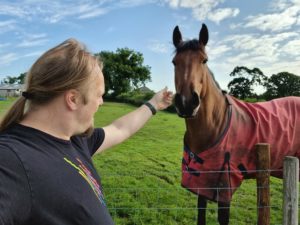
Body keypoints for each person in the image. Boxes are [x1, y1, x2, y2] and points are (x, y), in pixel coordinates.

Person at [0, 39, 173, 225]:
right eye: (99, 95)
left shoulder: (76, 141)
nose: (101, 102)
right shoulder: (9, 161)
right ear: (73, 99)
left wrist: (154, 104)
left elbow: (120, 129)